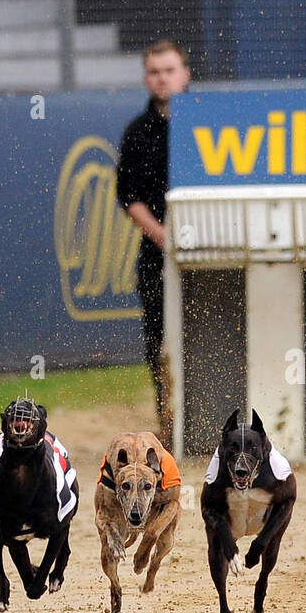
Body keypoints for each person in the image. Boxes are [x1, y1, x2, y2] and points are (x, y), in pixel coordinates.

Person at [116, 40, 190, 450]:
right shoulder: (137, 133)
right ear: (147, 78)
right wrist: (164, 238)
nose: (162, 77)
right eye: (155, 71)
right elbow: (129, 197)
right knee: (158, 342)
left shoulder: (212, 126)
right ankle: (170, 420)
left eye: (169, 69)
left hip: (212, 256)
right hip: (158, 257)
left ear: (185, 74)